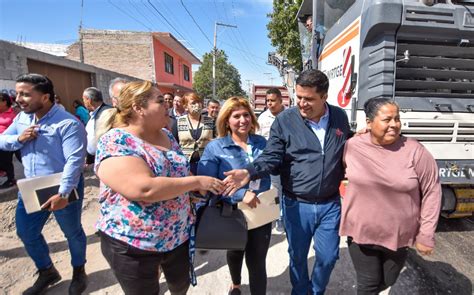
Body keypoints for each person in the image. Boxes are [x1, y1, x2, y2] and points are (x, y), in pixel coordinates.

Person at [223, 69, 351, 295]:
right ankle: (300, 291)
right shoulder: (284, 120)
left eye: (309, 98)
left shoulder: (340, 117)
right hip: (296, 204)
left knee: (329, 256)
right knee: (298, 256)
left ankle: (316, 291)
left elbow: (349, 147)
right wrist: (250, 172)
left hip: (330, 204)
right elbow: (272, 155)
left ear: (324, 97)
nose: (302, 103)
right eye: (299, 97)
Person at [94, 80, 224, 294]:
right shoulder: (115, 141)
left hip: (176, 236)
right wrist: (197, 182)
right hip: (134, 243)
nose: (168, 106)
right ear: (138, 107)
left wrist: (200, 189)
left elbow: (179, 171)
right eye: (160, 101)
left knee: (179, 286)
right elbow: (143, 189)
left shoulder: (166, 135)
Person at [340, 98, 442, 294]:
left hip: (398, 236)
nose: (394, 124)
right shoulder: (352, 146)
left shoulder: (415, 151)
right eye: (387, 119)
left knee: (388, 280)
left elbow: (432, 192)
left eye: (397, 119)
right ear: (369, 123)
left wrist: (426, 234)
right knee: (367, 285)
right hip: (361, 233)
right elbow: (341, 172)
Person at [0, 73, 88, 294]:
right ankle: (47, 271)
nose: (18, 99)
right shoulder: (21, 119)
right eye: (18, 93)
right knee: (26, 232)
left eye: (25, 94)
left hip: (63, 187)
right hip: (31, 186)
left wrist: (64, 193)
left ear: (46, 96)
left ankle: (79, 272)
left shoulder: (68, 123)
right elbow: (2, 140)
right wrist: (17, 139)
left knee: (72, 233)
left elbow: (74, 162)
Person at [198, 97, 272, 295]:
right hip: (232, 211)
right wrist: (240, 194)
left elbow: (270, 166)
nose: (243, 120)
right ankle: (236, 284)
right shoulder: (216, 147)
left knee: (257, 260)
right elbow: (208, 182)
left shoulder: (261, 142)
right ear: (226, 121)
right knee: (236, 250)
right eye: (236, 116)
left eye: (246, 115)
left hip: (260, 210)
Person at [257, 87, 286, 232]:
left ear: (281, 101)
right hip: (269, 161)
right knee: (272, 189)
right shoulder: (262, 118)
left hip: (287, 161)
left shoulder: (290, 115)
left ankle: (283, 217)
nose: (269, 103)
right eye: (267, 101)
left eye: (273, 100)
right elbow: (258, 138)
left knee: (283, 190)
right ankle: (276, 218)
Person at [173, 92, 215, 175]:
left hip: (206, 164)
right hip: (185, 166)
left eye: (199, 102)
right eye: (193, 103)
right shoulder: (179, 122)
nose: (197, 105)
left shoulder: (210, 122)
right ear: (185, 107)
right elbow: (173, 146)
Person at [82, 87, 111, 165]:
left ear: (89, 100)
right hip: (94, 159)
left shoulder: (107, 112)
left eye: (84, 99)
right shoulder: (93, 113)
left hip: (105, 159)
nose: (83, 102)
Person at [0, 93, 18, 188]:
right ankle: (10, 178)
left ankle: (11, 180)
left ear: (5, 102)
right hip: (2, 142)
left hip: (13, 140)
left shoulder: (14, 112)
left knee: (21, 158)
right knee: (4, 161)